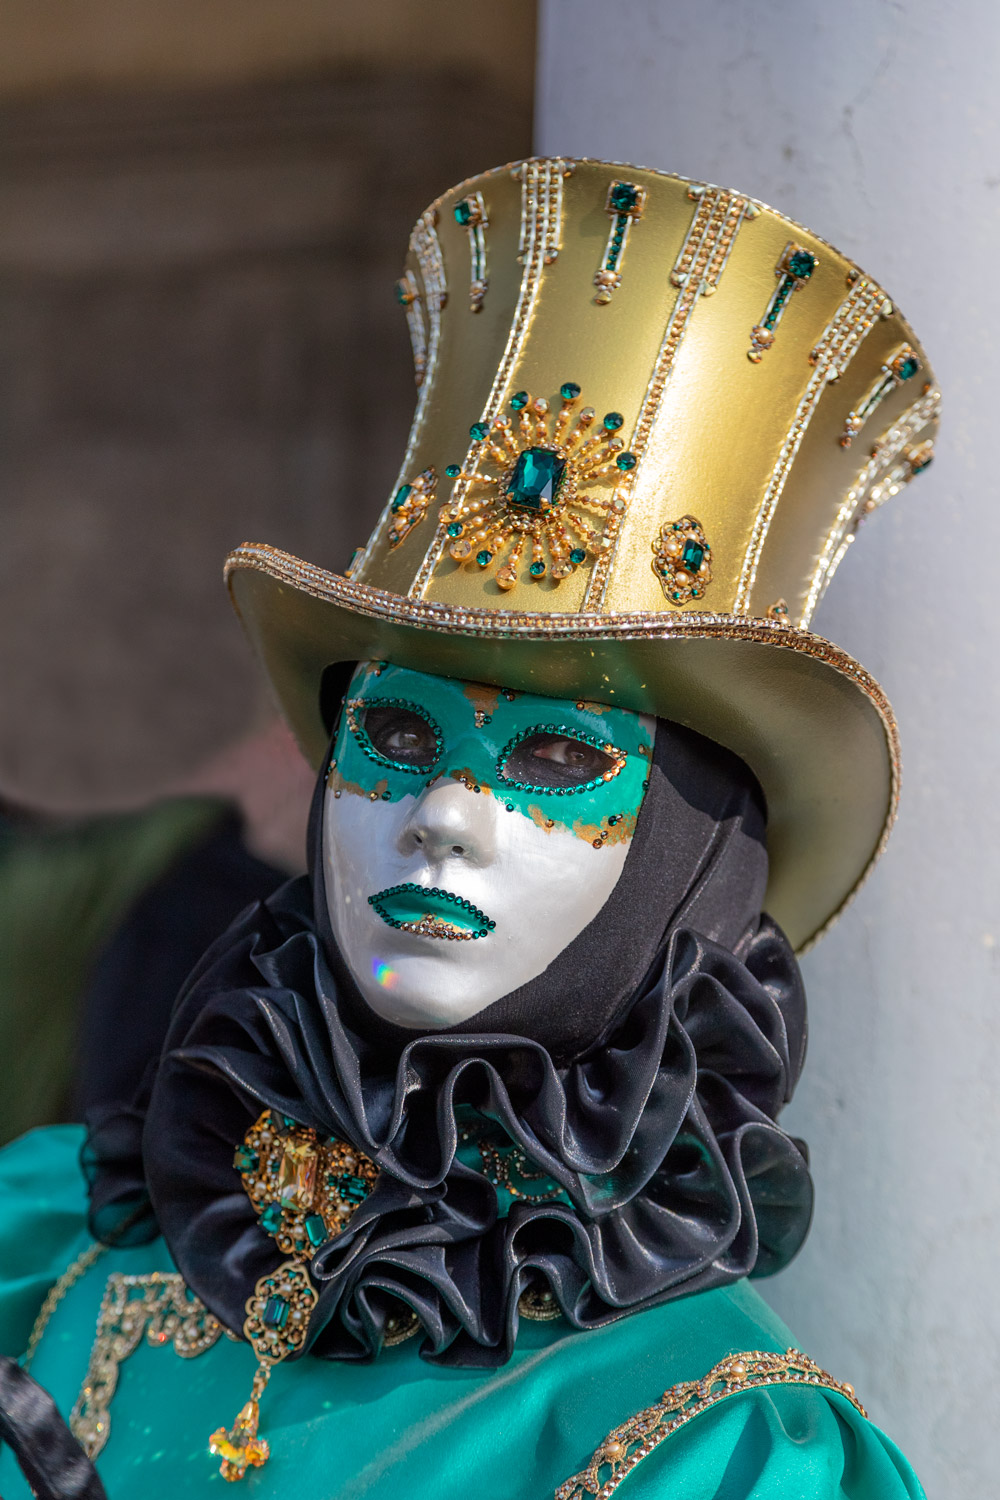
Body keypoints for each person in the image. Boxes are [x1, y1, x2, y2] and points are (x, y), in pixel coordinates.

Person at [0, 157, 937, 1499]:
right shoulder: (60, 1252)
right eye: (394, 738)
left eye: (558, 759)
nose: (446, 817)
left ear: (685, 865)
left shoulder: (713, 1441)